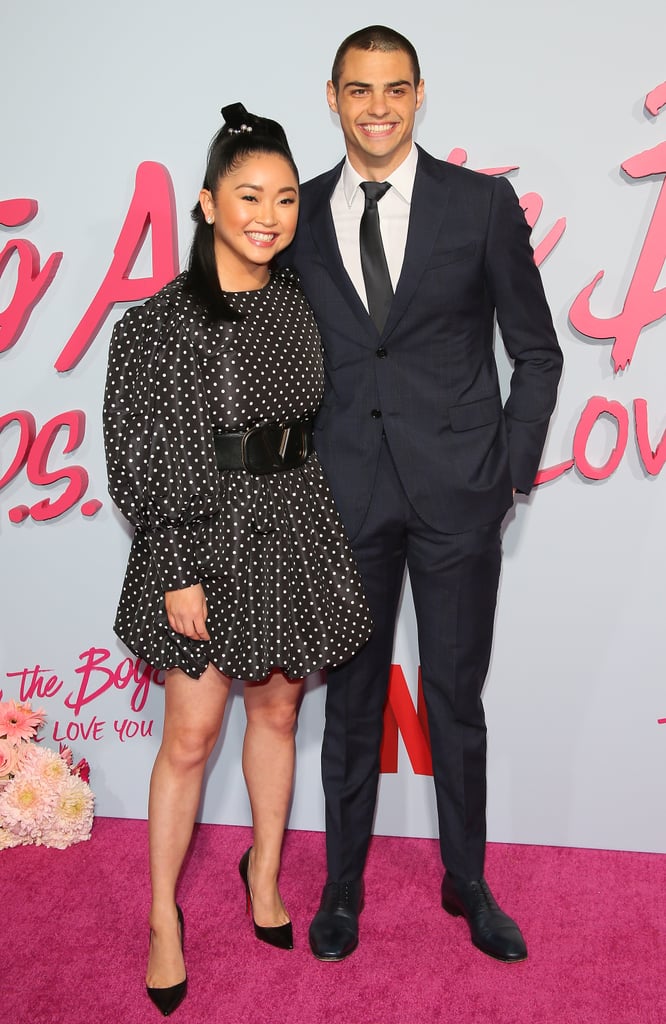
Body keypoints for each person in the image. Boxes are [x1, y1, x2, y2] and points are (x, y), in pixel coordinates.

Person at [283, 27, 563, 964]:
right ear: (332, 97)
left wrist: (509, 470)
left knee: (455, 699)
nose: (376, 107)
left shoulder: (481, 205)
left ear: (420, 93)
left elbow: (537, 349)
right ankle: (342, 888)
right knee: (353, 704)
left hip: (458, 497)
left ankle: (468, 880)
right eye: (358, 91)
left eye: (394, 89)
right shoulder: (301, 214)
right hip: (343, 501)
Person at [103, 102, 372, 1016]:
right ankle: (162, 920)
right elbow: (138, 447)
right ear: (208, 202)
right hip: (203, 537)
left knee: (281, 711)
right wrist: (176, 565)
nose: (269, 214)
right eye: (249, 195)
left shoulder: (302, 301)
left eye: (288, 198)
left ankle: (263, 875)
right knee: (188, 738)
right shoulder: (156, 323)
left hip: (295, 525)